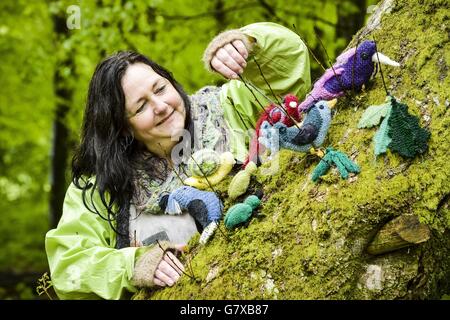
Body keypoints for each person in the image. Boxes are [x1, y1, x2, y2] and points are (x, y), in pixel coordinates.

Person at [45, 22, 311, 299]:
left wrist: (247, 42)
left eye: (160, 89)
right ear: (124, 127)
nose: (160, 106)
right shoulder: (103, 184)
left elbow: (292, 73)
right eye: (141, 106)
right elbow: (68, 266)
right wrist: (132, 264)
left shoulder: (230, 106)